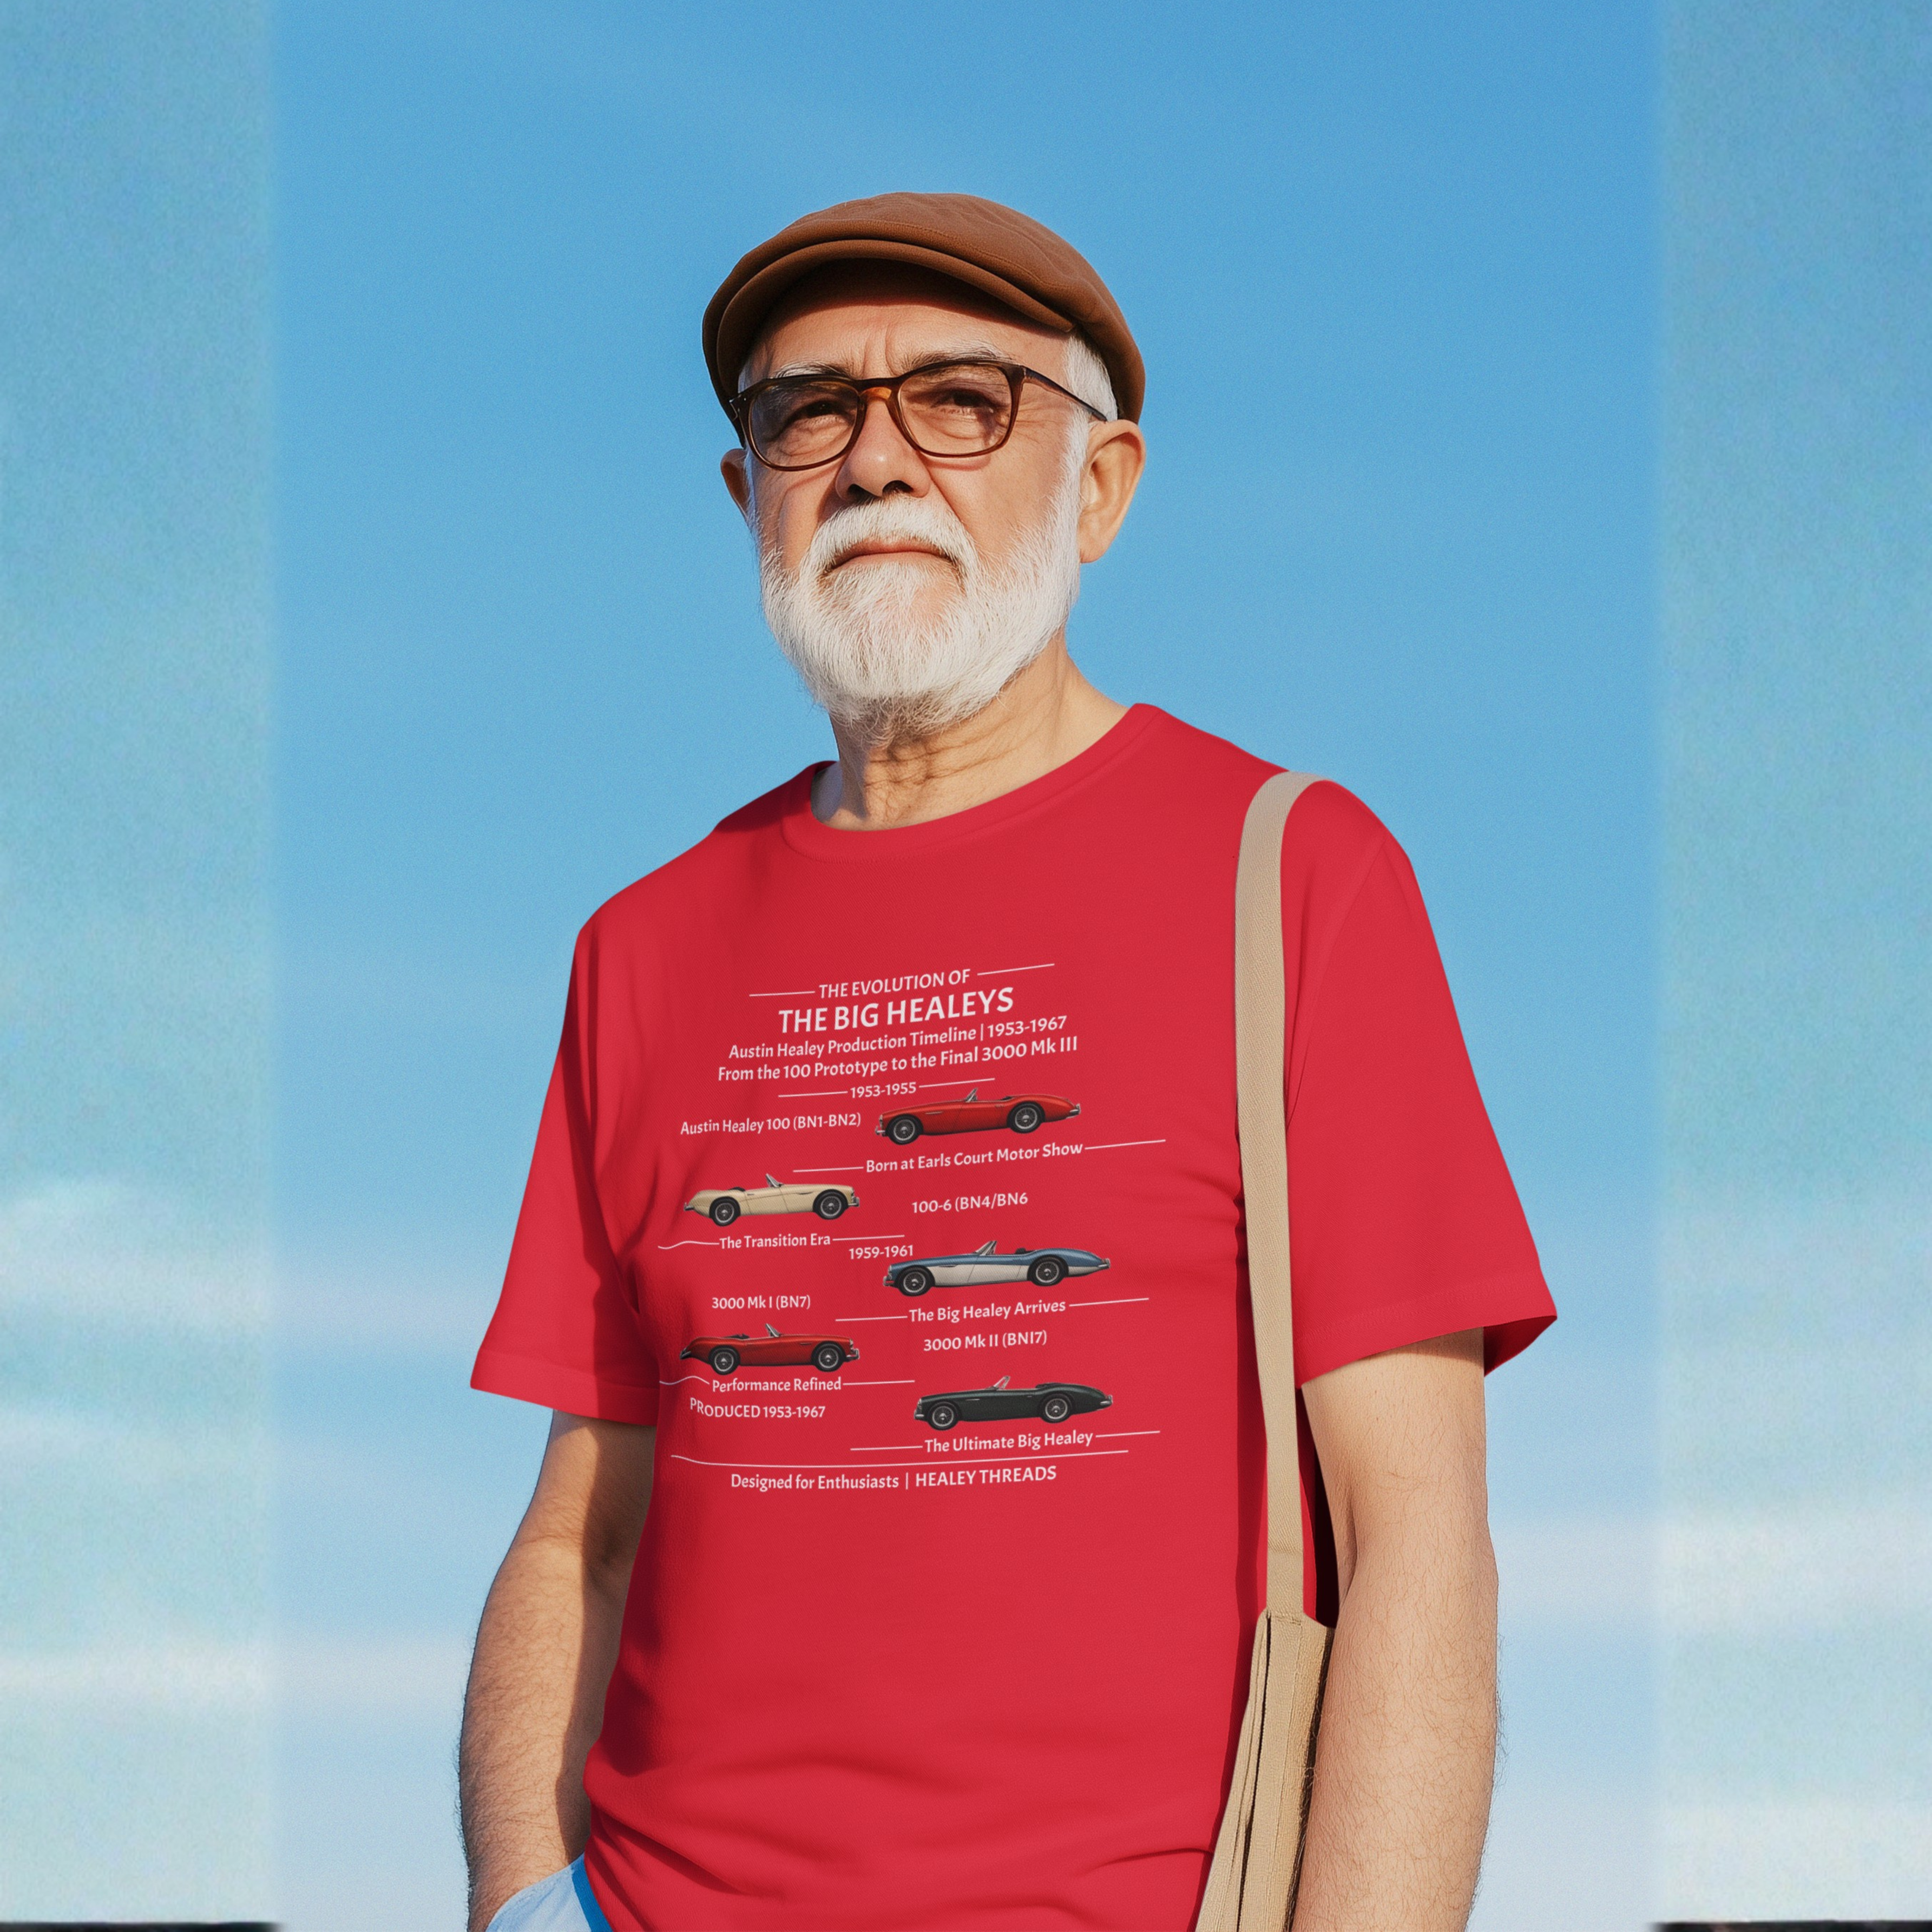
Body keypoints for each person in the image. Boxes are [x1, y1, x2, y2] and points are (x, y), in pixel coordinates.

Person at [458, 192, 1554, 1932]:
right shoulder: (638, 950)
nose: (876, 462)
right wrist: (523, 1905)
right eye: (808, 409)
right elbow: (577, 1539)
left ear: (1101, 487)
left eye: (962, 400)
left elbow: (1417, 1539)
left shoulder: (1296, 873)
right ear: (748, 498)